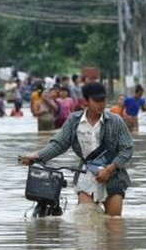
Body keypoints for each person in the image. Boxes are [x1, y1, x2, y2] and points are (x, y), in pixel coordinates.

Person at [19, 81, 134, 216]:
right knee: (86, 223)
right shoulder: (74, 120)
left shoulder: (116, 121)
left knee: (114, 225)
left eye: (103, 100)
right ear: (85, 101)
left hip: (114, 177)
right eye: (96, 101)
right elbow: (59, 144)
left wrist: (109, 169)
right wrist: (38, 156)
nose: (101, 104)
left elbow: (127, 148)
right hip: (87, 176)